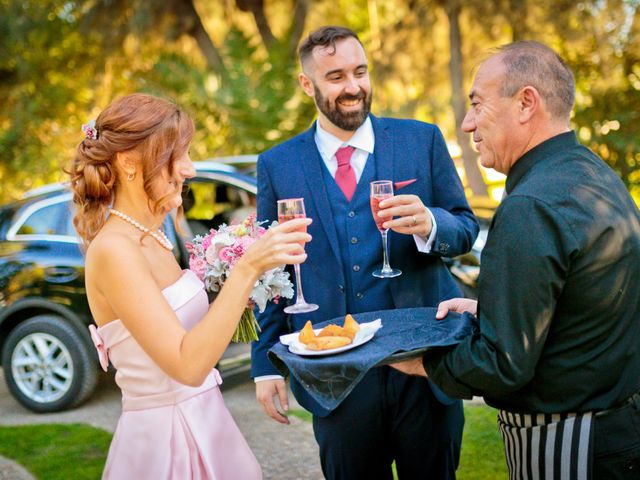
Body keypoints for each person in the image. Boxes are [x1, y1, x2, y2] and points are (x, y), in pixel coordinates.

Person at [391, 41, 640, 479]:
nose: (467, 123)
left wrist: (417, 359)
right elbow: (581, 301)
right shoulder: (593, 174)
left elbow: (501, 364)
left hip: (569, 444)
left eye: (477, 104)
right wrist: (490, 309)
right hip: (617, 427)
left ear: (526, 103)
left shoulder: (530, 205)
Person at [251, 26, 479, 479]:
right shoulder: (278, 164)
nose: (353, 87)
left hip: (423, 364)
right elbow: (269, 271)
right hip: (334, 376)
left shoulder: (421, 140)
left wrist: (433, 223)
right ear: (307, 84)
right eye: (335, 76)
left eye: (360, 72)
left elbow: (465, 227)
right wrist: (265, 364)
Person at [70, 93, 311, 479]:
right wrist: (247, 267)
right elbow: (187, 365)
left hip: (205, 419)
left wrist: (240, 296)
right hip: (169, 444)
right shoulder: (114, 250)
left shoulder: (155, 238)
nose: (190, 168)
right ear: (130, 161)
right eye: (176, 154)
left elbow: (189, 337)